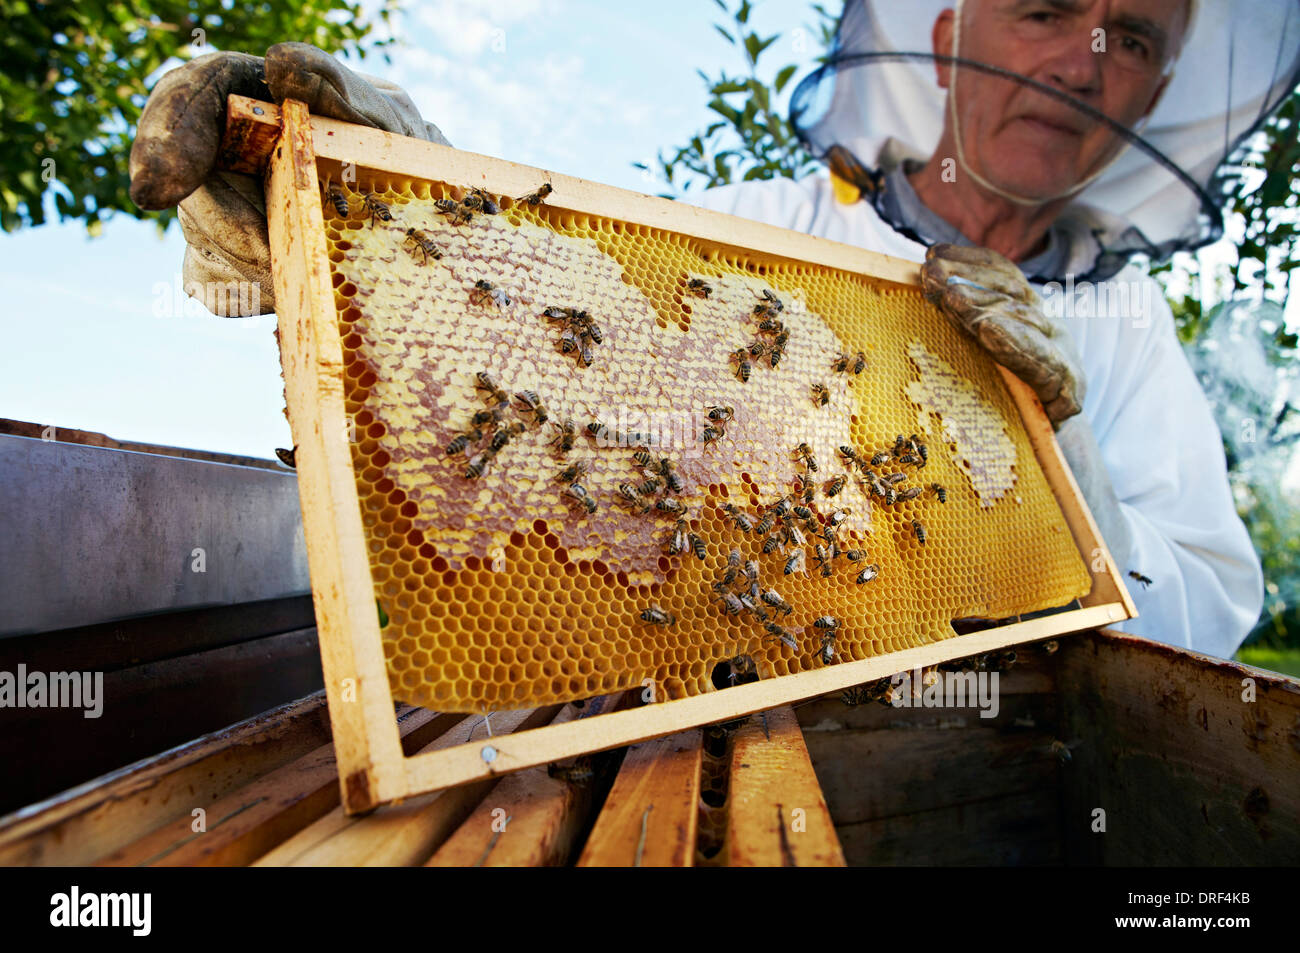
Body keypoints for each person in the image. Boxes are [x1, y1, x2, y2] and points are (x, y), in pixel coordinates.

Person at [128, 1, 1300, 659]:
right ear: (948, 36)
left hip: (994, 759)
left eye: (1133, 36)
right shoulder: (757, 229)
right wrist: (357, 182)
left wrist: (1062, 460)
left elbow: (1209, 611)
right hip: (702, 719)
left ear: (1152, 93)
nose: (1082, 63)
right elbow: (535, 327)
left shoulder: (1124, 324)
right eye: (1047, 8)